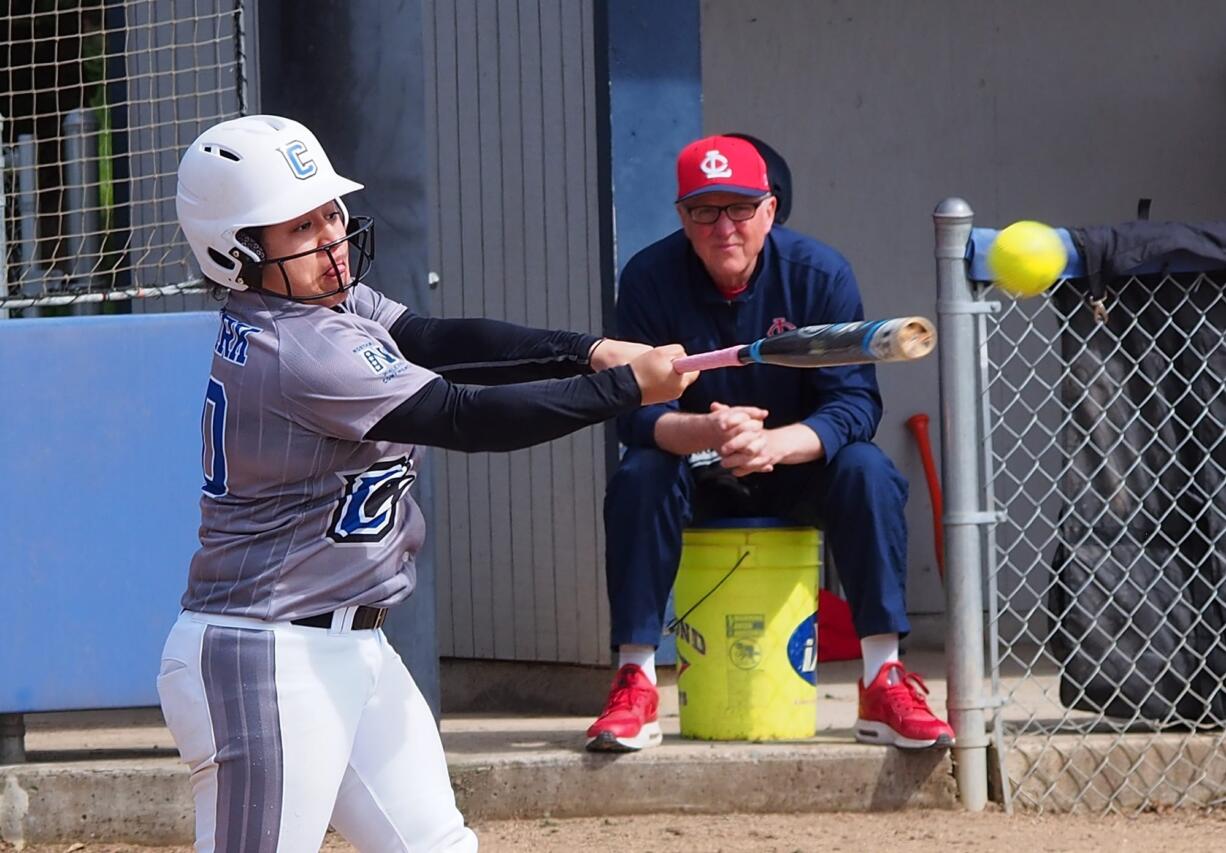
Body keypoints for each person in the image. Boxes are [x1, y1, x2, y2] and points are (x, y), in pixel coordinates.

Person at [156, 114, 696, 852]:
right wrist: (626, 389)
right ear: (237, 252)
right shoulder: (298, 346)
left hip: (351, 646)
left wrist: (590, 350)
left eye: (330, 214)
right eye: (300, 229)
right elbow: (464, 415)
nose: (331, 239)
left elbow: (437, 340)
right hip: (265, 653)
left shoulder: (325, 305)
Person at [585, 134, 954, 752]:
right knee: (639, 473)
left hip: (796, 466)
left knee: (868, 470)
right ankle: (636, 680)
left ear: (770, 210)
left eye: (740, 208)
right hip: (697, 464)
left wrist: (777, 444)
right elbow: (635, 415)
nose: (723, 226)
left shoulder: (818, 274)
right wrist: (706, 430)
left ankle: (882, 677)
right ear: (682, 215)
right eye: (705, 210)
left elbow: (855, 403)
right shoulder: (649, 277)